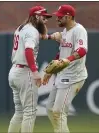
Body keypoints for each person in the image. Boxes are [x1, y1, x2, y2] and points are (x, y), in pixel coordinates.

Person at [42, 4, 88, 133]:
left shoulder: (79, 30)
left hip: (74, 76)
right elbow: (61, 54)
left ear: (68, 17)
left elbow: (82, 50)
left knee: (58, 111)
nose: (57, 19)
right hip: (63, 75)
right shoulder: (65, 31)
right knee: (50, 109)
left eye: (60, 17)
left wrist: (68, 59)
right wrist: (50, 72)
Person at [8, 6, 52, 133]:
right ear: (36, 16)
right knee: (30, 112)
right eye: (44, 17)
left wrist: (50, 37)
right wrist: (35, 72)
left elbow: (41, 35)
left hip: (15, 71)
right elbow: (28, 50)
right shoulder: (32, 31)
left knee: (19, 113)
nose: (46, 20)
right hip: (25, 72)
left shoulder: (21, 28)